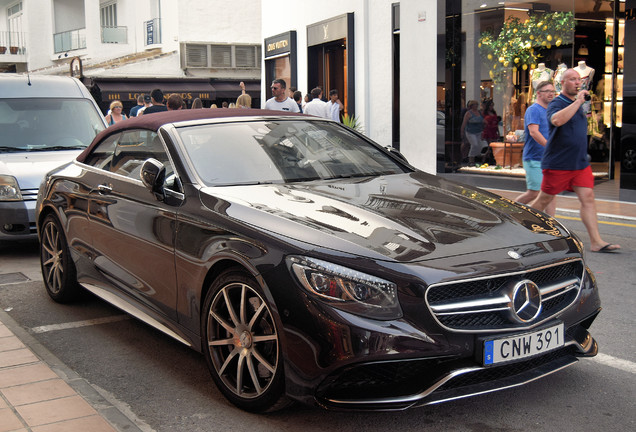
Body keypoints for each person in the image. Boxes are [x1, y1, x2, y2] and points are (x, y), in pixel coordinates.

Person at [529, 69, 620, 253]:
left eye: (579, 79)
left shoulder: (579, 105)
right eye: (572, 79)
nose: (577, 82)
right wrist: (578, 101)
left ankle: (596, 241)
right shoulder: (557, 103)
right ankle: (522, 227)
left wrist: (579, 103)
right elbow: (556, 120)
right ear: (563, 83)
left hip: (579, 163)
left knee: (588, 198)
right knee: (543, 200)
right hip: (558, 163)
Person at [515, 80, 556, 216]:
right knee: (534, 193)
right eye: (547, 91)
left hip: (548, 159)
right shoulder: (533, 110)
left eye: (553, 91)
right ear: (538, 93)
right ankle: (511, 212)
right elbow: (533, 132)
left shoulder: (551, 111)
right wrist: (550, 146)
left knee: (550, 192)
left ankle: (552, 224)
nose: (551, 94)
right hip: (534, 158)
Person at [460, 100, 488, 164]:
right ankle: (471, 158)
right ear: (471, 106)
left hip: (479, 131)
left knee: (481, 145)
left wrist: (485, 125)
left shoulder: (479, 113)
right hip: (470, 132)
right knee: (474, 144)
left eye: (477, 105)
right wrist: (462, 132)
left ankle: (477, 156)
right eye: (475, 105)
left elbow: (483, 120)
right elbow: (464, 123)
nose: (476, 106)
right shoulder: (468, 113)